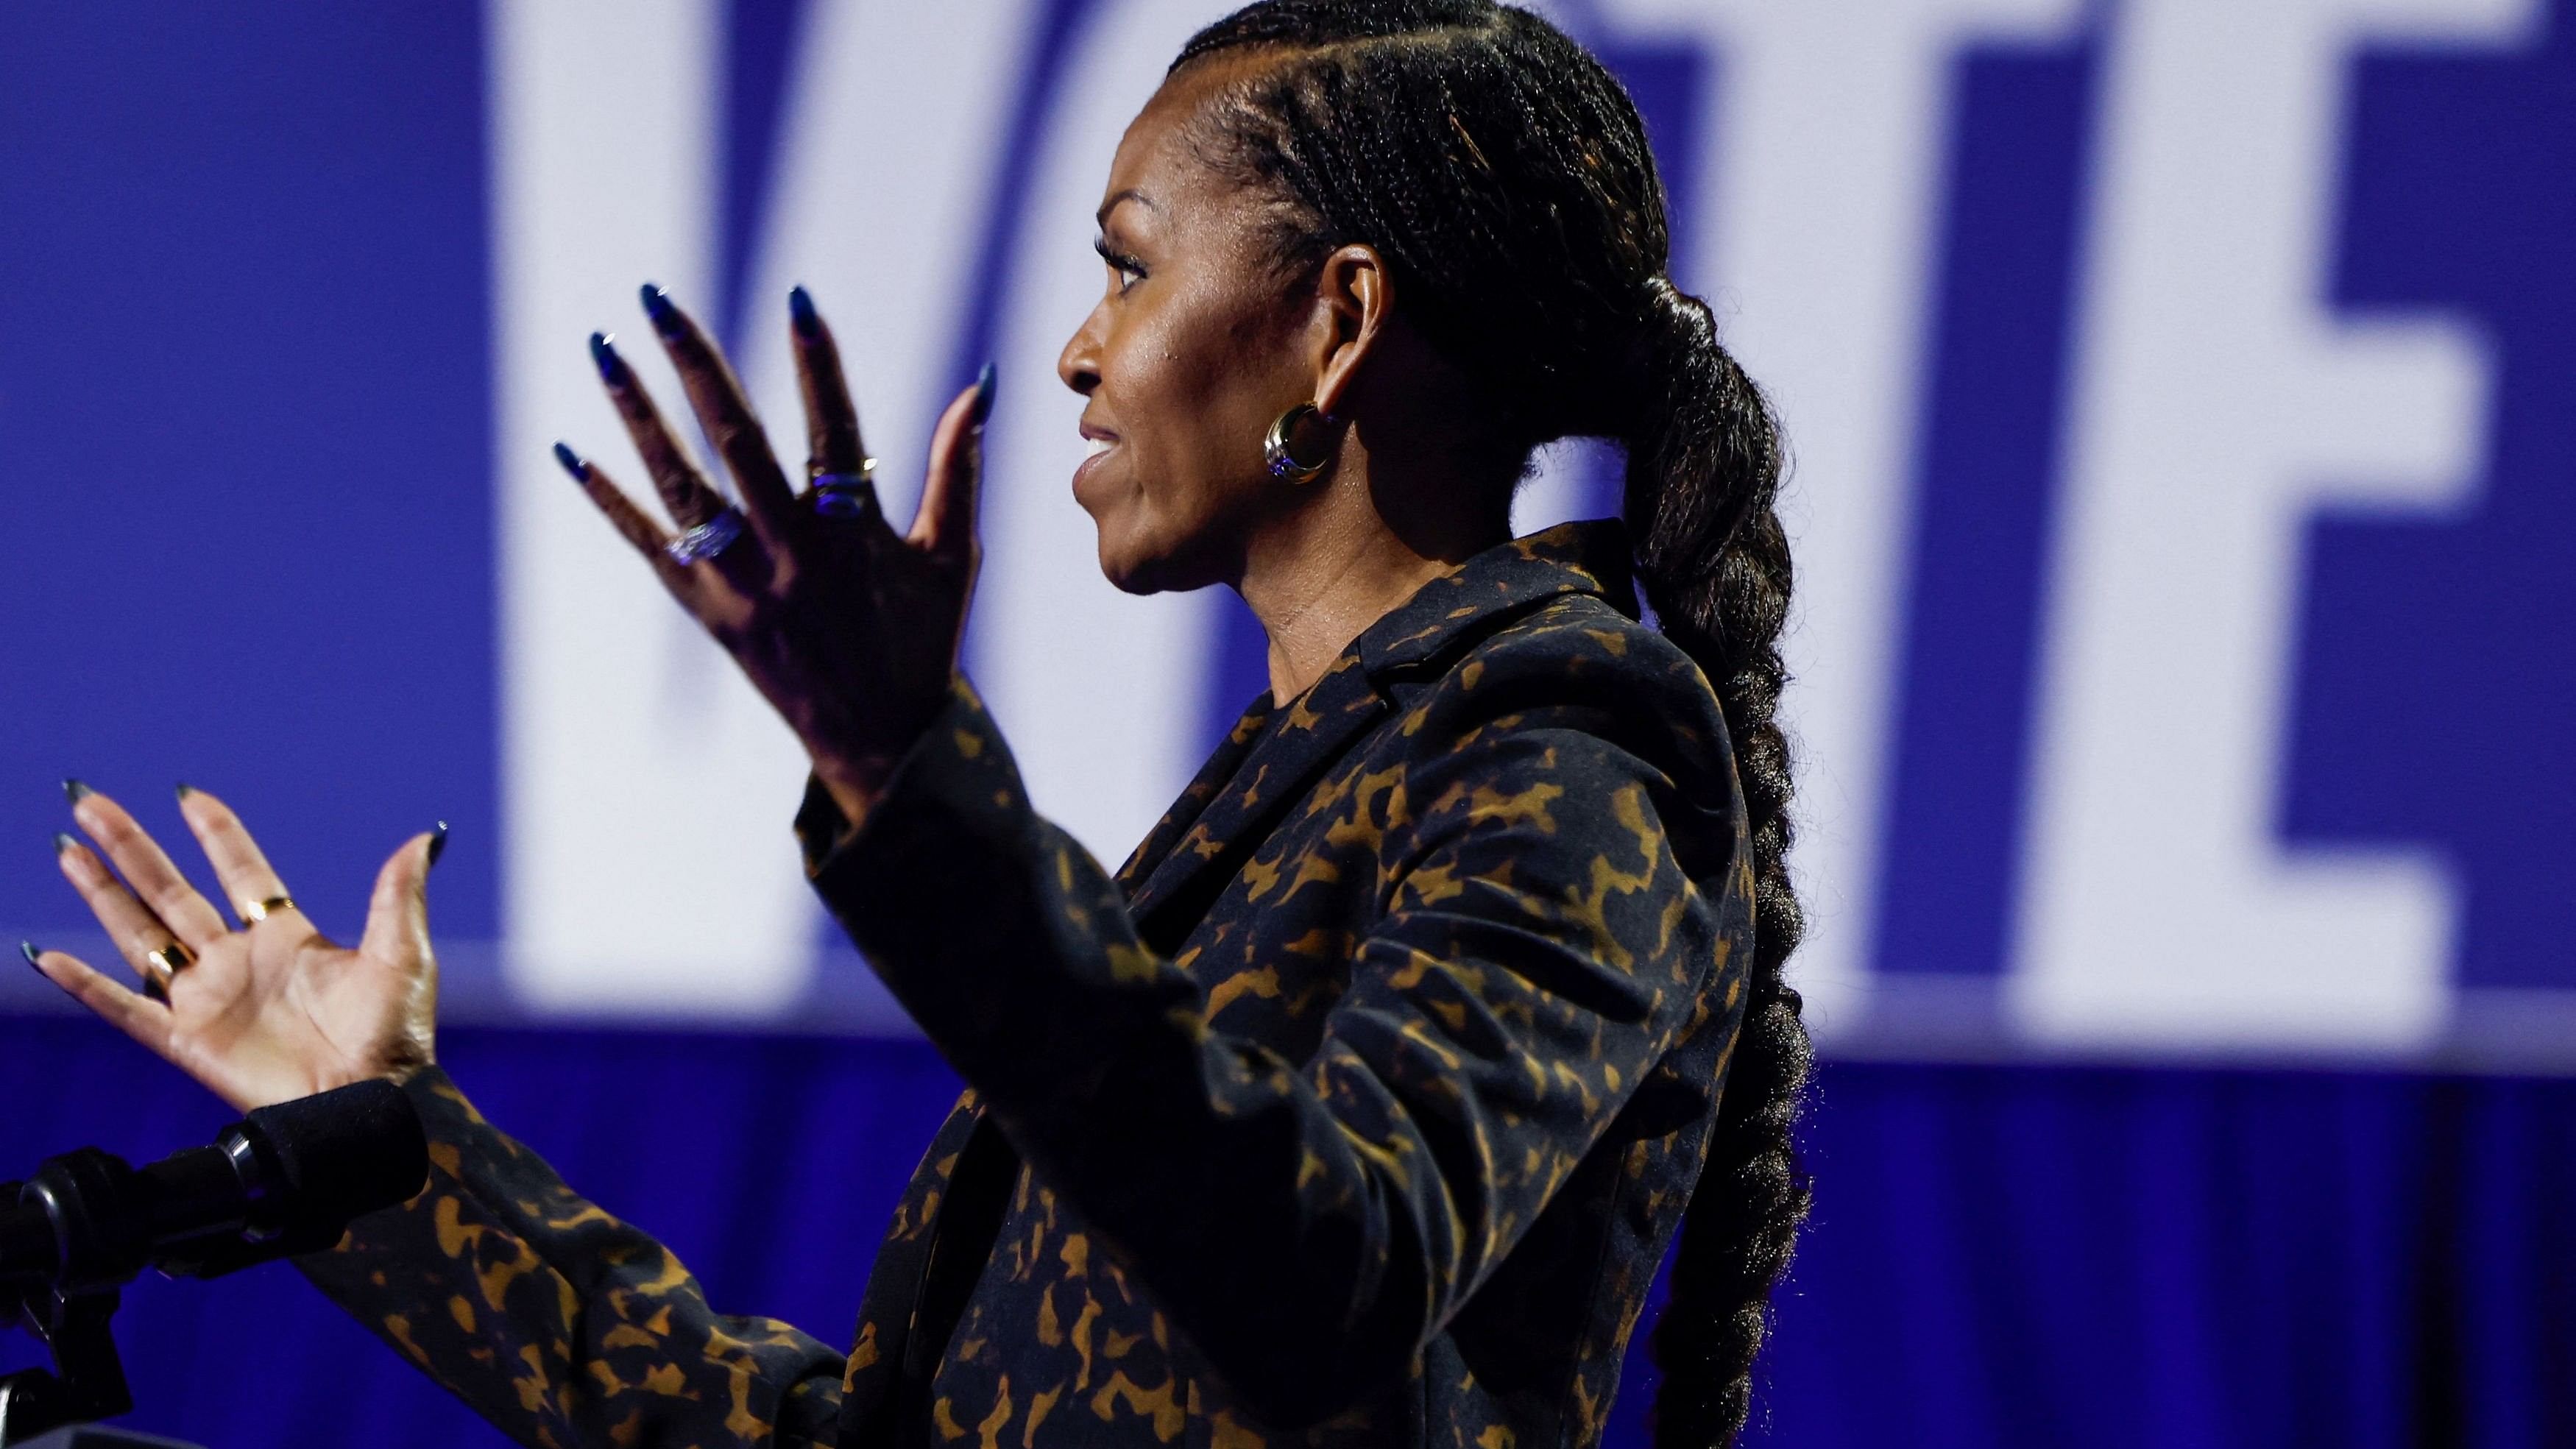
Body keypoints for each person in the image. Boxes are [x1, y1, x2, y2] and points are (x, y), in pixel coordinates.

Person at [23, 2, 1810, 1445]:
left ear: (1336, 322)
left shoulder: (1570, 752)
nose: (1078, 349)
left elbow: (1323, 1286)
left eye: (1128, 264)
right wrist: (381, 1145)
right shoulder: (1293, 780)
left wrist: (911, 784)